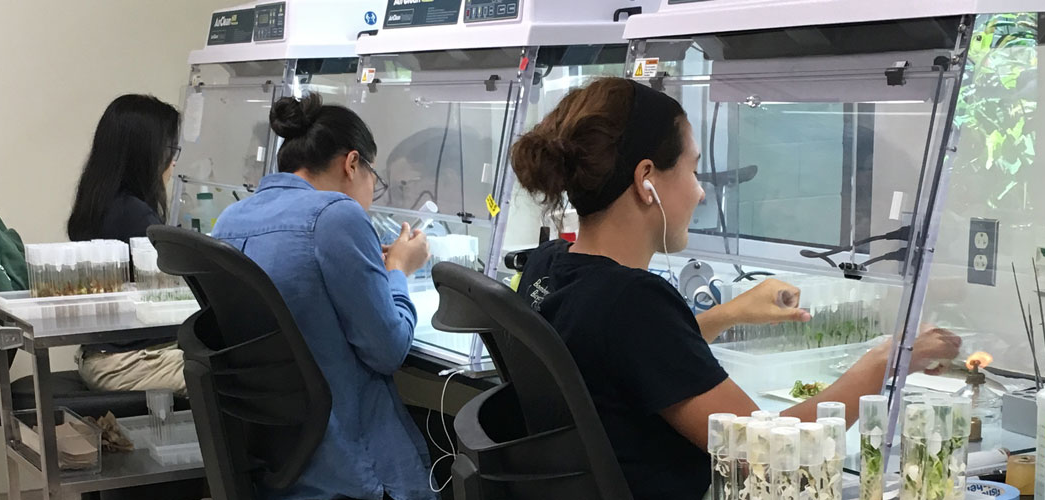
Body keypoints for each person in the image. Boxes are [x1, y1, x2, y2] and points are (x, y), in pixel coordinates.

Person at [509, 78, 962, 500]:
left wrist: (729, 314)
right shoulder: (632, 301)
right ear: (647, 180)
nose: (701, 192)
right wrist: (888, 360)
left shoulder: (550, 266)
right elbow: (768, 450)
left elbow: (625, 358)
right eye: (693, 169)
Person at [210, 93, 433, 500]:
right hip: (348, 469)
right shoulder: (336, 214)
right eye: (373, 178)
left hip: (276, 463)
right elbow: (388, 349)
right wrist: (400, 268)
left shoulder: (230, 219)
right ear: (352, 164)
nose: (371, 191)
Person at [65, 94, 188, 395]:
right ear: (147, 154)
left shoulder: (101, 203)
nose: (174, 161)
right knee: (239, 378)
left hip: (101, 356)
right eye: (171, 150)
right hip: (126, 363)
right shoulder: (134, 215)